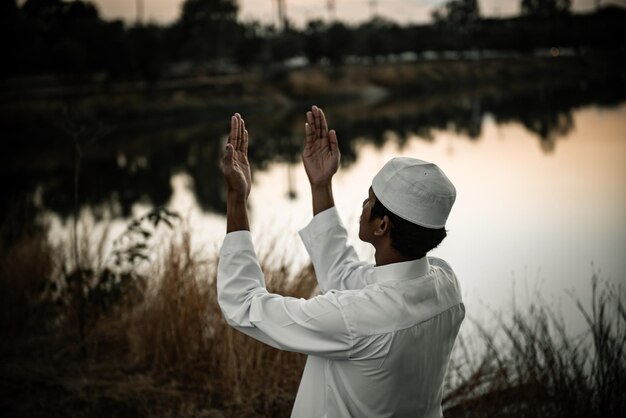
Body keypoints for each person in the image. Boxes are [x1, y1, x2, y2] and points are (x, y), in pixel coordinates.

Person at [218, 107, 464, 418]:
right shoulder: (445, 283)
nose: (363, 205)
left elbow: (241, 303)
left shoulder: (356, 317)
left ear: (382, 225)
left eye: (370, 199)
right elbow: (344, 275)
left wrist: (236, 198)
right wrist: (321, 185)